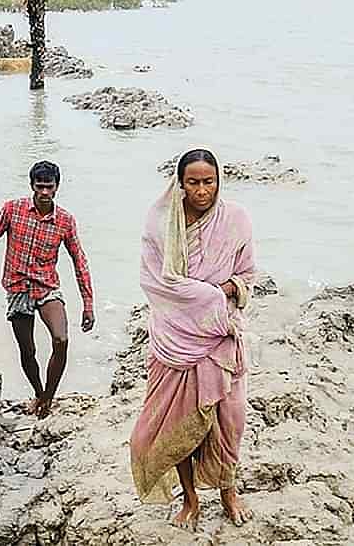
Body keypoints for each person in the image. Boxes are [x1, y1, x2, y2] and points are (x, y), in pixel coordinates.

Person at [129, 149, 255, 529]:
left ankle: (229, 491)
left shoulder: (236, 219)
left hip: (220, 337)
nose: (202, 190)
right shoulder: (161, 223)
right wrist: (201, 296)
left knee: (229, 420)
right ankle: (190, 498)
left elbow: (247, 275)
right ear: (179, 184)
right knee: (178, 422)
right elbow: (154, 281)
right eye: (194, 182)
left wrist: (219, 292)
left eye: (209, 182)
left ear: (219, 182)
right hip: (173, 339)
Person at [0, 161, 96, 419]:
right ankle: (38, 392)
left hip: (47, 287)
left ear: (57, 188)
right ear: (32, 186)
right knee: (28, 351)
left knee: (61, 339)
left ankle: (48, 399)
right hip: (18, 287)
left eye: (49, 187)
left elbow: (80, 261)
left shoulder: (65, 221)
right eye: (40, 186)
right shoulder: (12, 210)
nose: (44, 192)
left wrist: (88, 303)